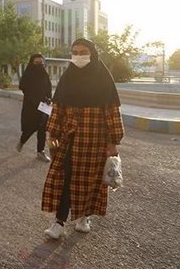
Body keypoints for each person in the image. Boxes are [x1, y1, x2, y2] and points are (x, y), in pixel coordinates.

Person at [41, 38, 124, 239]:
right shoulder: (67, 78)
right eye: (75, 52)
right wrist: (52, 137)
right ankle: (59, 222)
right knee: (65, 179)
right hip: (70, 141)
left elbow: (112, 111)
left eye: (83, 51)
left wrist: (113, 141)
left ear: (92, 53)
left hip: (96, 142)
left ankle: (84, 217)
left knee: (92, 182)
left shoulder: (103, 79)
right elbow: (58, 109)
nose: (79, 55)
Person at [16, 53, 53, 162]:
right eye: (36, 63)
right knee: (31, 127)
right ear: (32, 63)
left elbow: (49, 88)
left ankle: (40, 152)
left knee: (42, 128)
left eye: (41, 63)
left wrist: (49, 98)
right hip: (30, 106)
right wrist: (34, 98)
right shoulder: (28, 75)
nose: (39, 65)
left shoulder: (45, 74)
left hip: (43, 106)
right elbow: (22, 87)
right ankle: (22, 141)